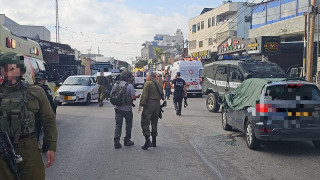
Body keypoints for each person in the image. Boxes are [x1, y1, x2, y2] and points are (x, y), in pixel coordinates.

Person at [0, 54, 57, 180]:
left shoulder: (36, 91)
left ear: (21, 70)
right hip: (2, 151)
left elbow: (48, 120)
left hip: (29, 149)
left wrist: (51, 147)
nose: (8, 72)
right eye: (4, 68)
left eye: (12, 68)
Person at [111, 70, 140, 149]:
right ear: (128, 77)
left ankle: (116, 142)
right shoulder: (129, 86)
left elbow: (112, 94)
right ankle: (127, 140)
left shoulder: (116, 84)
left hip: (117, 108)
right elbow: (133, 97)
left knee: (118, 125)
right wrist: (137, 96)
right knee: (128, 125)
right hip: (127, 109)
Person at [139, 72, 164, 150]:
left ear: (150, 76)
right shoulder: (159, 84)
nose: (145, 78)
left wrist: (141, 105)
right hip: (157, 104)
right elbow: (162, 94)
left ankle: (147, 141)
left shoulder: (148, 83)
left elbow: (144, 95)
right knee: (154, 122)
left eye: (146, 76)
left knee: (145, 121)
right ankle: (154, 142)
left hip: (149, 104)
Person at [34, 72, 57, 152]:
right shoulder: (45, 88)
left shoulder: (31, 88)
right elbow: (50, 101)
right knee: (47, 130)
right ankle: (45, 147)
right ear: (43, 80)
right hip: (43, 113)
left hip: (34, 113)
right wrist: (53, 111)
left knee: (35, 131)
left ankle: (35, 147)